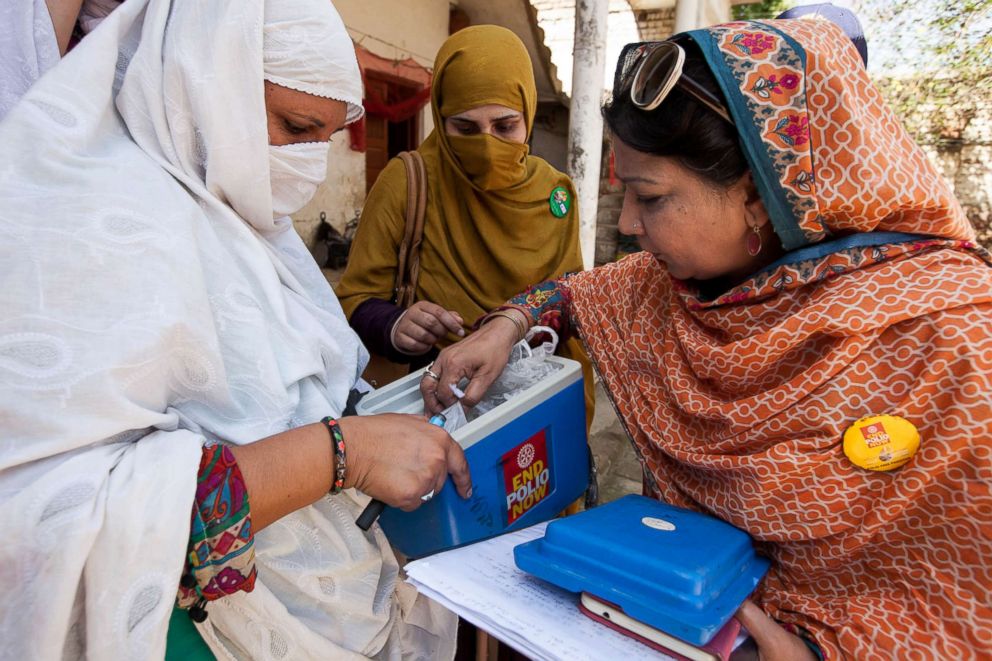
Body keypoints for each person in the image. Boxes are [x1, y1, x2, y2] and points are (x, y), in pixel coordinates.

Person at [421, 18, 992, 660]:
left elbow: (961, 604)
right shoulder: (675, 288)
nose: (630, 225)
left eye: (651, 197)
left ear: (755, 195)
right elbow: (574, 294)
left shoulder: (952, 340)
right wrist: (508, 326)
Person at [0, 0, 471, 658]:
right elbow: (47, 523)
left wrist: (380, 412)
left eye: (325, 139)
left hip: (329, 613)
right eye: (295, 126)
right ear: (204, 79)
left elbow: (294, 389)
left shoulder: (253, 230)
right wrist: (345, 454)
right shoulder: (88, 233)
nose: (307, 165)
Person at [335, 25, 595, 427]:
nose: (487, 146)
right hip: (436, 400)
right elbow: (355, 299)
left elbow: (570, 298)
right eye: (466, 129)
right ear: (441, 119)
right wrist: (396, 325)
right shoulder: (407, 182)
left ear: (527, 114)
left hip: (532, 396)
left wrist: (511, 331)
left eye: (505, 127)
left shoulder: (554, 193)